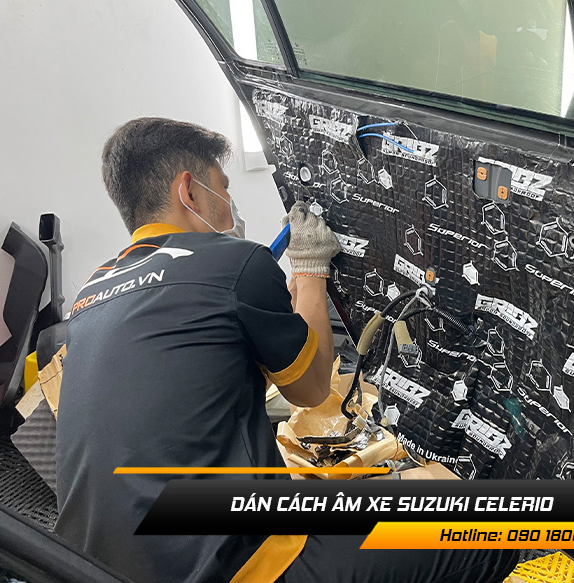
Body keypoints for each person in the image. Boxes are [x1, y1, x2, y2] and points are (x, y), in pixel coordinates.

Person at [55, 117, 517, 583]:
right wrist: (310, 269)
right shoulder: (233, 263)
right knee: (489, 526)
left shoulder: (91, 293)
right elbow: (312, 391)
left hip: (93, 567)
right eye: (223, 188)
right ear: (189, 191)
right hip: (232, 565)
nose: (230, 205)